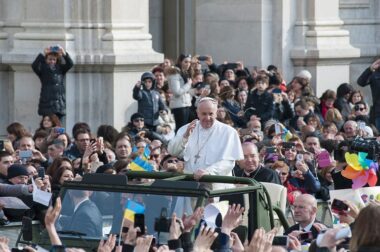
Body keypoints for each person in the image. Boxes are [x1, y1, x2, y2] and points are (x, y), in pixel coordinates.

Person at [168, 97, 243, 183]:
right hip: (191, 185)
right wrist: (185, 137)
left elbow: (228, 163)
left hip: (217, 186)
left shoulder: (229, 132)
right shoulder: (186, 129)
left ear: (216, 113)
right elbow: (173, 152)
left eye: (211, 114)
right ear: (198, 113)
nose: (207, 118)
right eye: (204, 114)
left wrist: (209, 172)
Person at [31, 45, 74, 120]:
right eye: (50, 59)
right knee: (47, 124)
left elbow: (70, 64)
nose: (52, 61)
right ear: (46, 60)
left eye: (54, 60)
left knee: (58, 128)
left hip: (59, 105)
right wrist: (43, 54)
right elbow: (34, 66)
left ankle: (58, 132)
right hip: (47, 104)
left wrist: (64, 54)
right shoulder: (43, 70)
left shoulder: (60, 69)